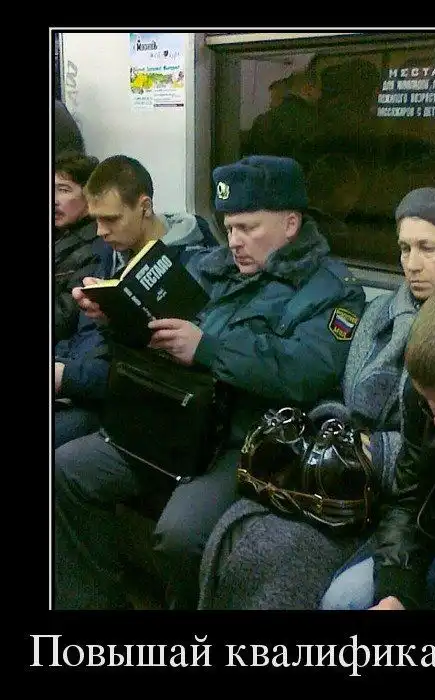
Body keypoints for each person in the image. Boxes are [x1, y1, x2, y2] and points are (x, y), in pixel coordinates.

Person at [54, 154, 367, 609]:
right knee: (67, 469)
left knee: (180, 535)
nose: (235, 241)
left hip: (241, 438)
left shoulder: (332, 290)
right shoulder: (208, 266)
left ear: (291, 223)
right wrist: (115, 317)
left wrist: (208, 349)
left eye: (248, 228)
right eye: (229, 227)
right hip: (173, 416)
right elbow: (155, 332)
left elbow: (304, 371)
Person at [198, 187, 435, 610]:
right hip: (356, 473)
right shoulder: (380, 314)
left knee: (339, 596)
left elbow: (421, 474)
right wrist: (336, 433)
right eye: (404, 249)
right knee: (252, 542)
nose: (412, 264)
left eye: (428, 248)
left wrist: (380, 453)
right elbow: (345, 393)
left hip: (417, 501)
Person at [320, 285, 435, 610]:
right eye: (430, 404)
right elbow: (409, 499)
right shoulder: (425, 401)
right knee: (342, 601)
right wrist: (395, 592)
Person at [54, 154, 215, 449]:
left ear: (145, 207)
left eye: (111, 219)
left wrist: (68, 375)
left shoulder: (194, 267)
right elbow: (82, 336)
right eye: (96, 219)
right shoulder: (110, 254)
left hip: (124, 397)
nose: (101, 231)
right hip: (85, 376)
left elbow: (157, 368)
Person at [54, 151, 100, 343]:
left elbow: (63, 318)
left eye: (63, 190)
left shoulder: (96, 245)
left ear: (89, 197)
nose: (54, 199)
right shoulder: (60, 231)